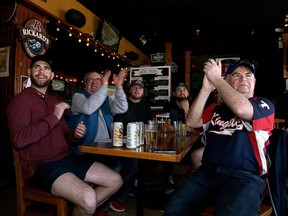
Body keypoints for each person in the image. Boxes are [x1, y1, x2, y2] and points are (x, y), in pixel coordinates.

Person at [6, 54, 123, 216]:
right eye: (37, 67)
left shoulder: (53, 101)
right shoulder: (20, 101)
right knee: (89, 199)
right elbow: (19, 139)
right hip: (40, 166)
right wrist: (53, 117)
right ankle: (85, 207)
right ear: (29, 71)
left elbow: (65, 136)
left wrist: (75, 134)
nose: (41, 71)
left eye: (46, 68)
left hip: (66, 158)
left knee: (115, 180)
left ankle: (81, 210)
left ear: (52, 75)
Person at [164, 59, 275, 216]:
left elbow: (242, 110)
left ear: (254, 82)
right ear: (227, 81)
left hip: (244, 178)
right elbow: (191, 122)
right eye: (236, 75)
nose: (243, 78)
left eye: (248, 75)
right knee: (173, 211)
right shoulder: (216, 108)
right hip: (208, 173)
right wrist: (206, 89)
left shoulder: (263, 104)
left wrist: (216, 79)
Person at [66, 69, 130, 214]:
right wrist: (105, 86)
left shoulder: (106, 97)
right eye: (91, 80)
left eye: (98, 80)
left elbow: (121, 107)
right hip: (82, 151)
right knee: (116, 168)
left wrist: (118, 87)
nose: (95, 82)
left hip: (105, 149)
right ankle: (91, 207)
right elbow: (88, 108)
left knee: (126, 166)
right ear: (85, 83)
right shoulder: (78, 96)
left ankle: (93, 207)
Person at [113, 79, 154, 208]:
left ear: (143, 92)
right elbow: (117, 127)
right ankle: (117, 197)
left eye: (140, 88)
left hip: (139, 144)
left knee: (150, 160)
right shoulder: (123, 104)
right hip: (123, 144)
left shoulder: (144, 105)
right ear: (129, 90)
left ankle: (131, 186)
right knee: (134, 165)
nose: (137, 90)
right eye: (134, 88)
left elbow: (150, 123)